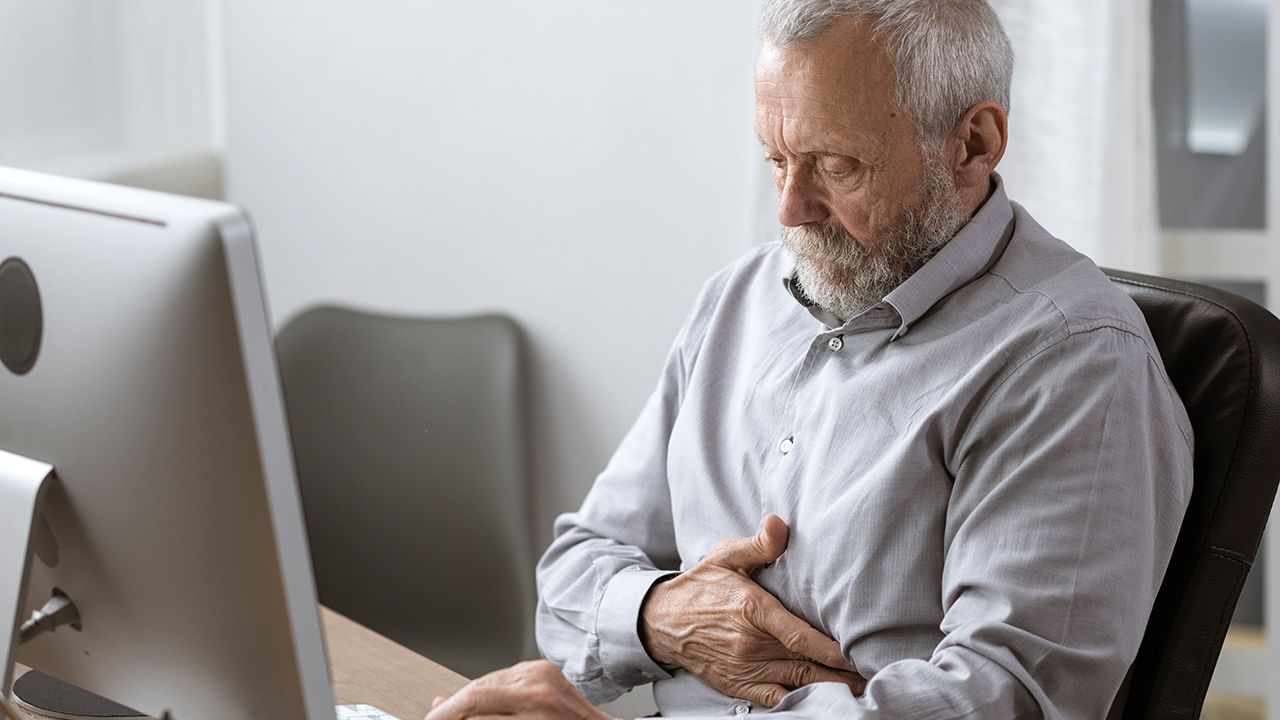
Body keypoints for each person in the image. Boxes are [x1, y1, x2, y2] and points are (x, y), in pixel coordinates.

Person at [425, 0, 1193, 718]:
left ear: (973, 143)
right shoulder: (741, 298)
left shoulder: (1073, 362)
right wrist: (664, 616)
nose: (790, 208)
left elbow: (1001, 698)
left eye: (834, 164)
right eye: (775, 158)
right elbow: (571, 576)